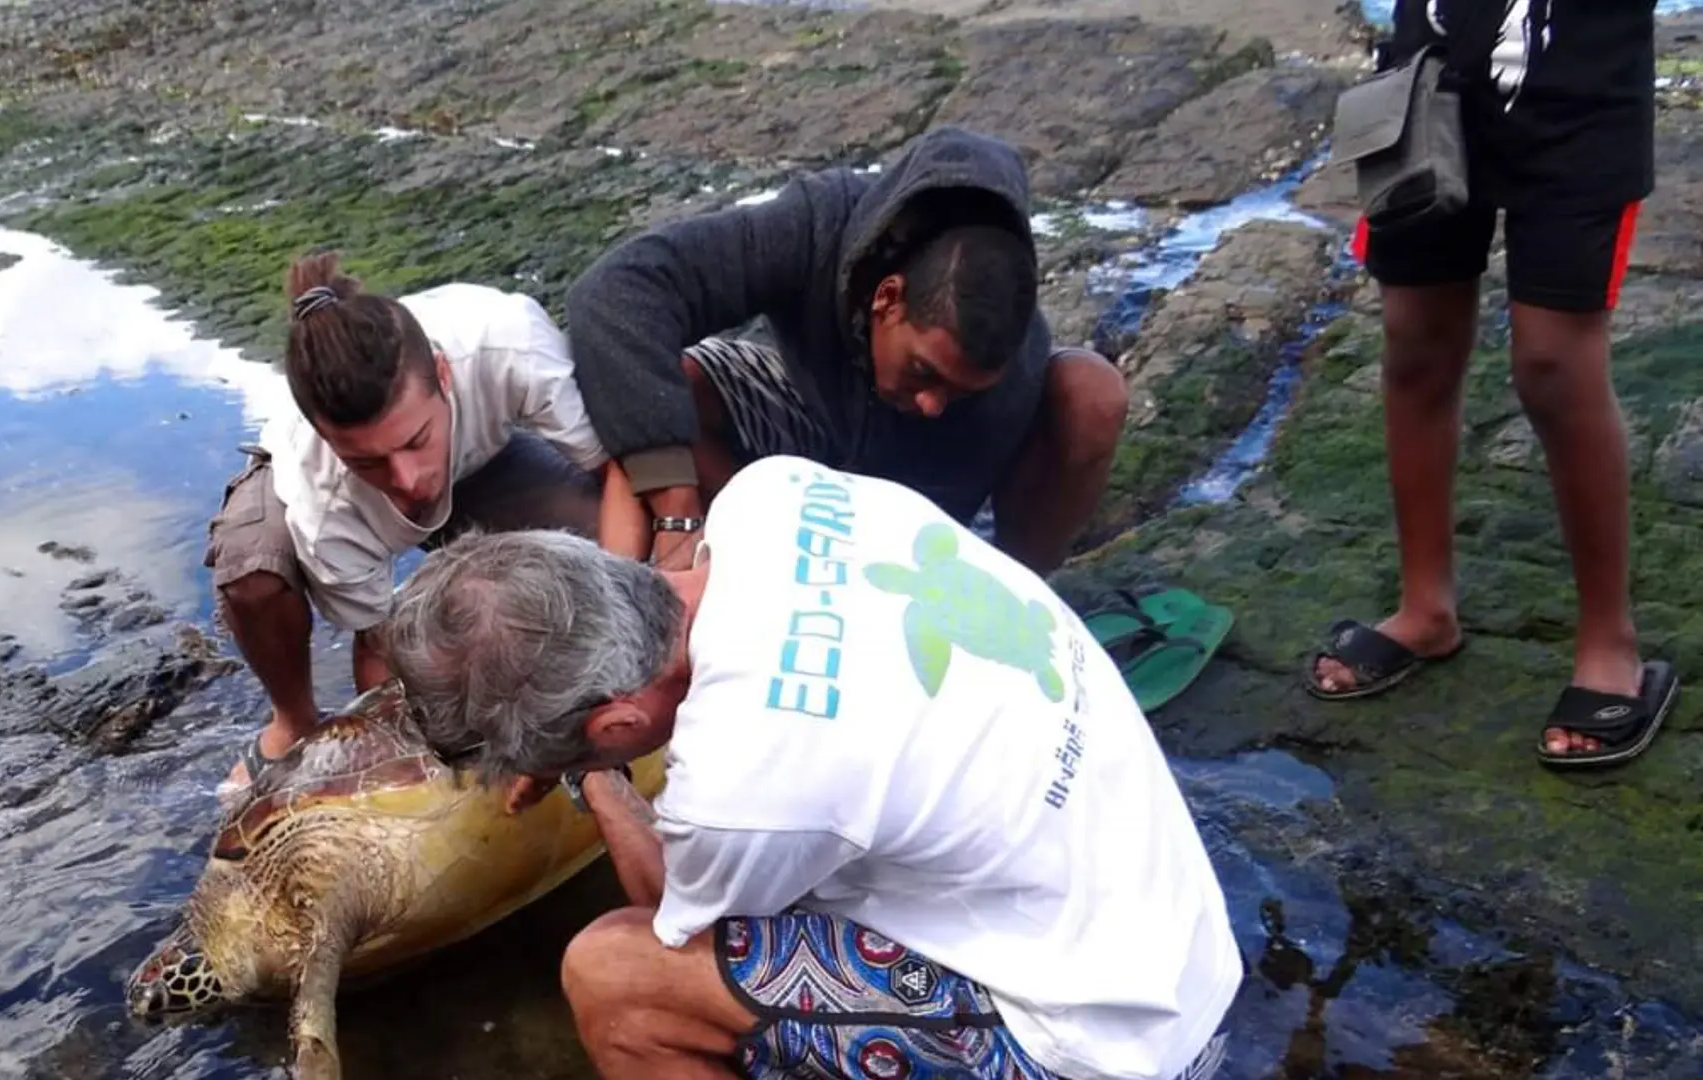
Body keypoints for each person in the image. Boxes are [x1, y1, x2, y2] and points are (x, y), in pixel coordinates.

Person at [377, 455, 1244, 1080]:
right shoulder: (771, 494)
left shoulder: (741, 785)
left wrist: (594, 779)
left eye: (581, 743)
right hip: (1177, 948)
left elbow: (673, 916)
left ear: (617, 720)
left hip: (1098, 1045)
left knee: (618, 977)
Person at [1306, 0, 1678, 770]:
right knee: (1415, 341)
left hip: (1584, 89)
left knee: (1554, 364)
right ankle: (1425, 607)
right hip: (1427, 74)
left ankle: (1610, 644)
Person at [563, 124, 1131, 577]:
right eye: (923, 372)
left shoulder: (1003, 384)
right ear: (888, 298)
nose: (935, 403)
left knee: (1092, 393)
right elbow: (617, 294)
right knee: (666, 388)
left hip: (927, 503)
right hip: (814, 416)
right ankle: (693, 563)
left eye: (958, 390)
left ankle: (1027, 595)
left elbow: (907, 537)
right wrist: (677, 511)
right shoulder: (822, 224)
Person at [202, 251, 638, 798]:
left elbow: (617, 469)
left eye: (414, 441)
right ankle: (292, 722)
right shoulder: (323, 506)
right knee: (253, 572)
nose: (406, 480)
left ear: (444, 374)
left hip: (482, 462)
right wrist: (411, 766)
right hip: (318, 495)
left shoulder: (509, 341)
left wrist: (627, 622)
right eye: (370, 460)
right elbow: (379, 648)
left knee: (601, 534)